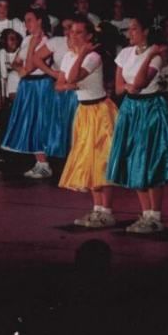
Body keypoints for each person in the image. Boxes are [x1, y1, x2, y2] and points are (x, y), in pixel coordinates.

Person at [105, 17, 168, 233]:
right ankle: (145, 214)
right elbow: (118, 88)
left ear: (145, 31)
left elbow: (140, 83)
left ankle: (155, 216)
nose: (130, 33)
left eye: (135, 28)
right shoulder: (125, 53)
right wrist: (128, 86)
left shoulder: (157, 55)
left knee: (150, 158)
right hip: (130, 109)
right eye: (129, 29)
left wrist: (150, 55)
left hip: (150, 109)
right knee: (134, 158)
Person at [58, 19, 120, 228]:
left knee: (102, 159)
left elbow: (73, 77)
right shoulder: (68, 56)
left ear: (89, 36)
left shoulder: (93, 57)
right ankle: (97, 210)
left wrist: (82, 55)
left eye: (78, 32)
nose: (73, 35)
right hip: (84, 111)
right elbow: (59, 84)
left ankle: (107, 211)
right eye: (71, 32)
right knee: (90, 161)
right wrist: (70, 82)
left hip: (100, 111)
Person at [1, 8, 56, 178]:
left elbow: (28, 68)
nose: (27, 23)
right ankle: (40, 162)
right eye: (25, 20)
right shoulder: (26, 40)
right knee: (31, 122)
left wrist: (31, 48)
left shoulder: (46, 41)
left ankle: (45, 164)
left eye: (30, 19)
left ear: (39, 20)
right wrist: (22, 65)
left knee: (40, 123)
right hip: (27, 86)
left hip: (41, 85)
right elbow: (16, 64)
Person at [33, 19, 78, 162]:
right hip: (61, 87)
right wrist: (53, 73)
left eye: (70, 27)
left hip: (78, 88)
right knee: (61, 124)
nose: (68, 31)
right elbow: (36, 57)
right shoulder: (57, 41)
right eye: (64, 28)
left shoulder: (81, 43)